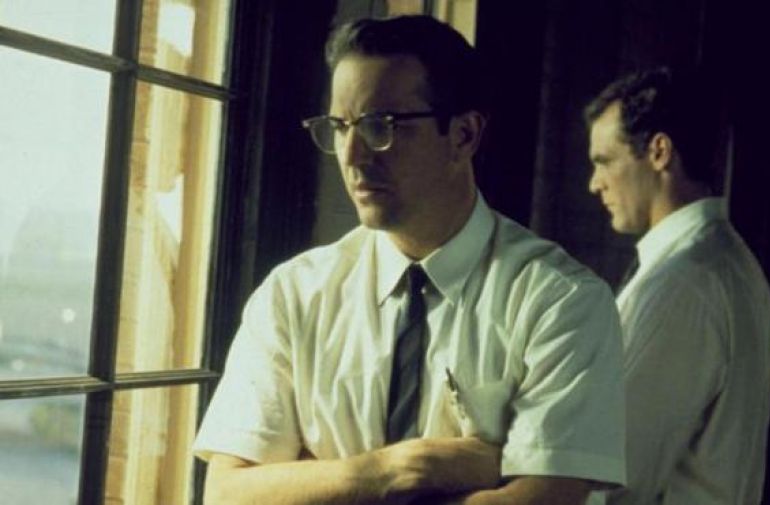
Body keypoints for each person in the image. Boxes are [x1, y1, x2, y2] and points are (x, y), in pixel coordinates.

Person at [194, 16, 625, 505]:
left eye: (381, 125)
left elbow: (547, 498)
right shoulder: (293, 294)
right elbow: (228, 493)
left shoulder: (561, 301)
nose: (352, 155)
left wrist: (314, 482)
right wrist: (389, 472)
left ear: (463, 135)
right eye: (339, 127)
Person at [584, 67, 770, 504]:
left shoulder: (684, 281)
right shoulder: (726, 262)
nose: (594, 183)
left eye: (604, 161)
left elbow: (612, 475)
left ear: (659, 151)